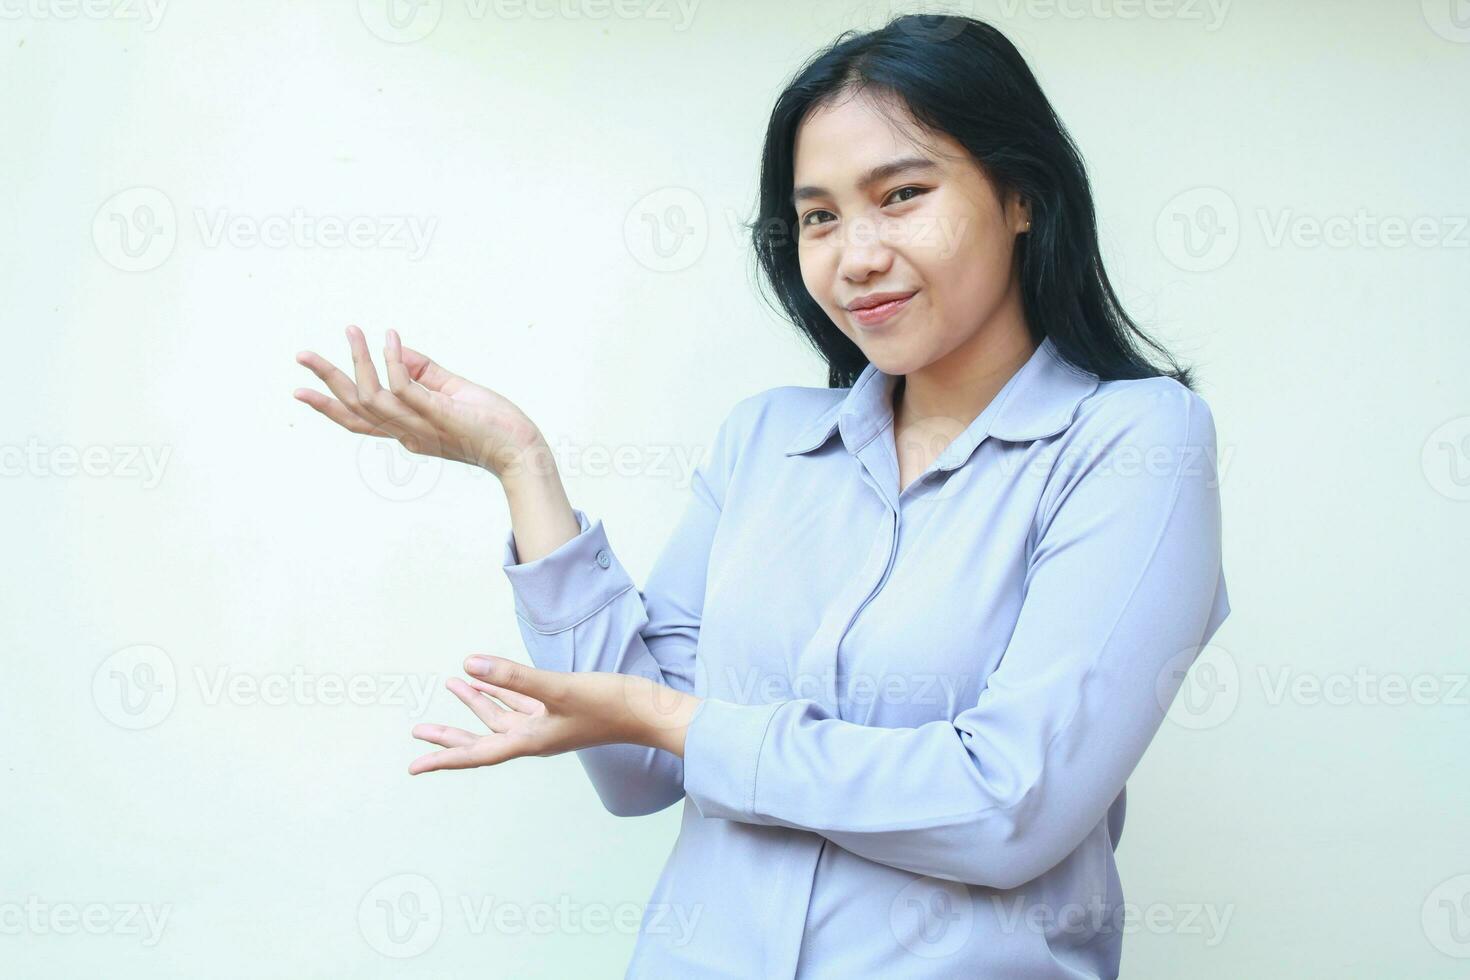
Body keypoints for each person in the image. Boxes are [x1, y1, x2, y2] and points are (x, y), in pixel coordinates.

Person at [293, 14, 1231, 978]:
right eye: (819, 216)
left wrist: (681, 723)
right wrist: (521, 465)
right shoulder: (766, 442)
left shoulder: (1133, 442)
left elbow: (1009, 805)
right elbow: (636, 769)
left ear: (1022, 194)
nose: (854, 256)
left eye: (902, 195)